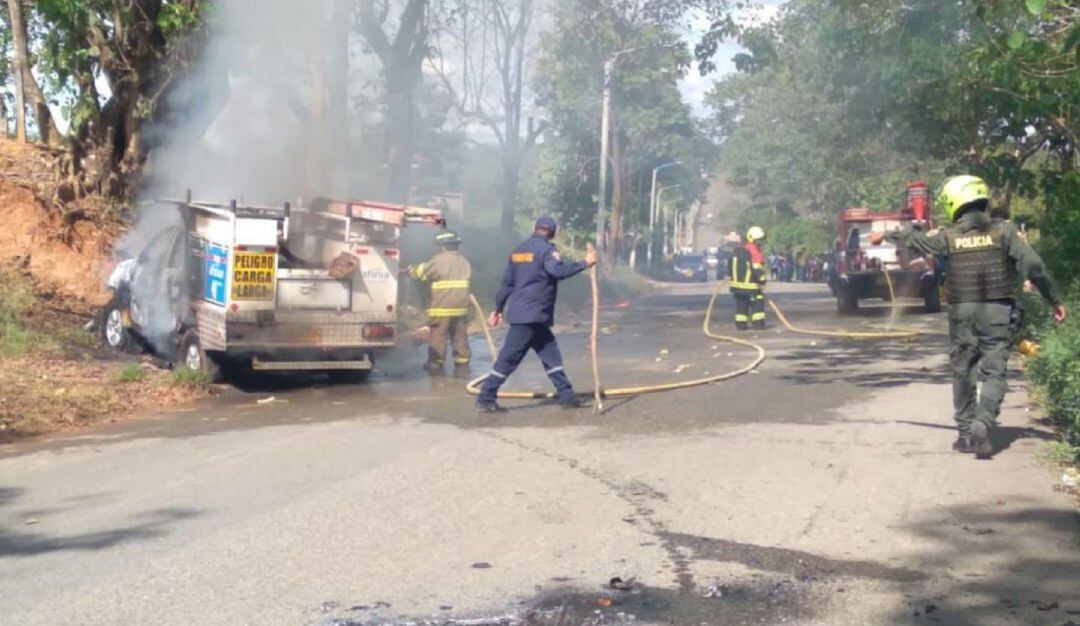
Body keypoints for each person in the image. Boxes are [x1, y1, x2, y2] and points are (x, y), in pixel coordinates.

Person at [872, 175, 1066, 458]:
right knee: (995, 370)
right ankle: (983, 422)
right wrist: (1055, 300)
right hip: (997, 311)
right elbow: (1034, 266)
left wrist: (886, 236)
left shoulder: (948, 236)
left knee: (963, 368)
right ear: (982, 199)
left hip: (962, 312)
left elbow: (916, 240)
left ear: (954, 203)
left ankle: (965, 435)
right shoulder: (1004, 232)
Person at [476, 217, 599, 413]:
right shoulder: (548, 251)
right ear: (554, 232)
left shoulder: (517, 252)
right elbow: (558, 271)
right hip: (532, 316)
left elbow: (507, 284)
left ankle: (567, 396)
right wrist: (584, 263)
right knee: (508, 360)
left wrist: (498, 309)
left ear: (534, 228)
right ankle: (486, 396)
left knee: (551, 356)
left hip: (528, 316)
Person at [408, 231, 473, 376]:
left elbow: (421, 273)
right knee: (459, 337)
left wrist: (410, 270)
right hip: (461, 309)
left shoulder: (438, 260)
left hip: (442, 308)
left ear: (443, 247)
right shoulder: (464, 261)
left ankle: (435, 364)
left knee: (438, 336)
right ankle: (462, 364)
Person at [729, 226, 768, 330]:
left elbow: (730, 266)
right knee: (758, 301)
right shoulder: (754, 251)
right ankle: (758, 324)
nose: (761, 242)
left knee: (742, 303)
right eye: (759, 240)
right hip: (751, 285)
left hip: (737, 285)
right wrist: (762, 280)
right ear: (752, 239)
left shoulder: (738, 250)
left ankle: (741, 325)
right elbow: (756, 269)